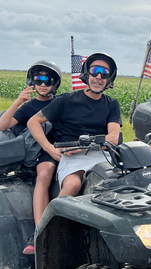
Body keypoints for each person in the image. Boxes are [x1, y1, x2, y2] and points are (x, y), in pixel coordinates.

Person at [28, 52, 122, 200]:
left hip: (102, 156)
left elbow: (113, 138)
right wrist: (48, 147)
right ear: (87, 73)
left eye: (104, 73)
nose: (98, 76)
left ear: (109, 79)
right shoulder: (67, 100)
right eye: (94, 71)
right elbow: (33, 122)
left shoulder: (112, 104)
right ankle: (52, 221)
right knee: (72, 184)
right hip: (73, 156)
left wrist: (85, 145)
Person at [0, 60, 62, 255]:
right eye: (39, 79)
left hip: (65, 148)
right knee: (44, 174)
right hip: (41, 152)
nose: (43, 84)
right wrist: (19, 101)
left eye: (48, 80)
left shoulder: (61, 103)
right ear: (32, 82)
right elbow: (2, 126)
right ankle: (39, 232)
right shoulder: (29, 107)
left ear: (55, 83)